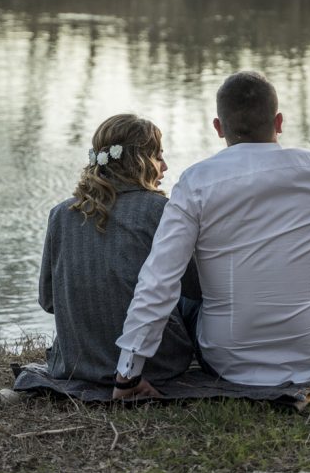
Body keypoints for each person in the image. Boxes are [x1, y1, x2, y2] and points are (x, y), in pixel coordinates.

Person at [112, 71, 310, 398]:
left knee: (181, 279)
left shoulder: (195, 182)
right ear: (279, 121)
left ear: (218, 127)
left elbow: (159, 278)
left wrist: (128, 374)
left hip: (225, 360)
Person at [38, 114, 199, 385]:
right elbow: (196, 289)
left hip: (76, 363)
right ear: (140, 161)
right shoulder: (160, 211)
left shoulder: (59, 214)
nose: (165, 166)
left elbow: (49, 301)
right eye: (159, 157)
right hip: (157, 364)